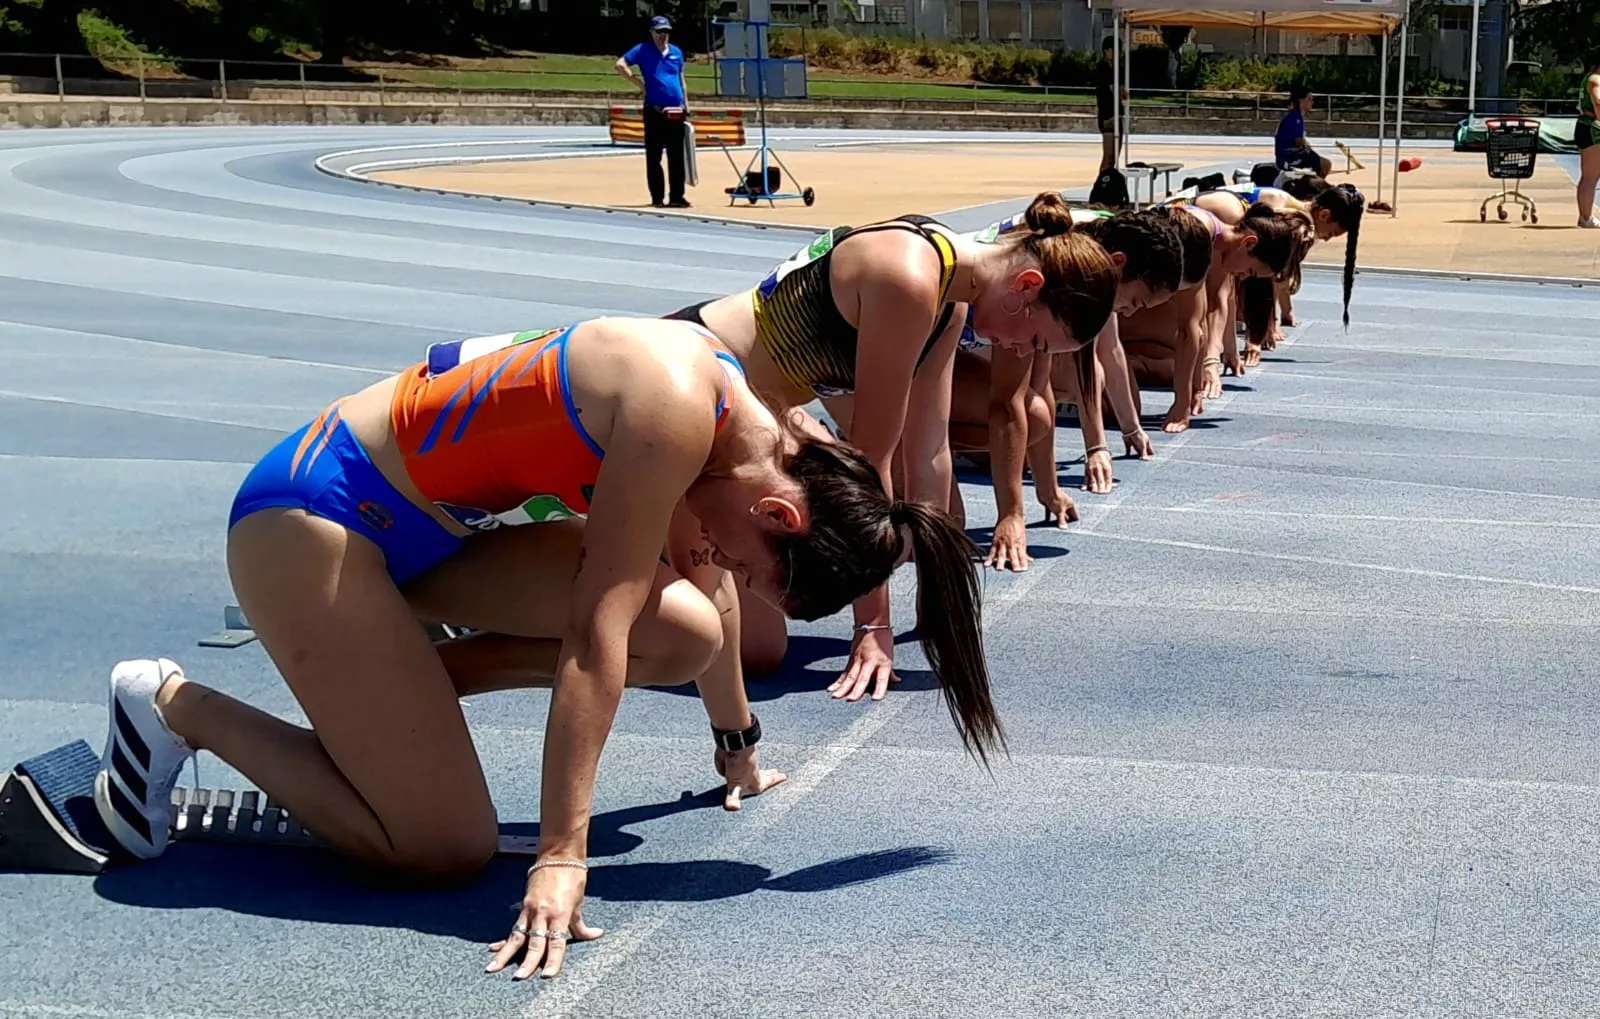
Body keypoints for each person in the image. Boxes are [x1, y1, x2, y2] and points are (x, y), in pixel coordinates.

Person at [92, 316, 1001, 982]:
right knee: (441, 846)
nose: (726, 565)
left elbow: (706, 600)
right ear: (780, 514)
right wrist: (563, 853)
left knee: (685, 633)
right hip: (311, 518)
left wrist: (738, 744)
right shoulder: (675, 412)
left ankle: (391, 697)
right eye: (752, 564)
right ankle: (174, 706)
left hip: (432, 535)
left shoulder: (755, 433)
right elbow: (597, 640)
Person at [665, 193, 1120, 696]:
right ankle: (630, 561)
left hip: (748, 418)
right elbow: (870, 463)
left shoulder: (948, 303)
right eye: (1034, 341)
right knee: (740, 648)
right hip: (682, 392)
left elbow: (930, 453)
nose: (1018, 352)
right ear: (1027, 286)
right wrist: (872, 626)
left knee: (758, 645)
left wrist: (937, 599)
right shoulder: (907, 279)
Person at [944, 207, 1185, 569]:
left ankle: (927, 450)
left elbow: (1036, 390)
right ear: (1117, 265)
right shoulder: (1049, 282)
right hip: (908, 350)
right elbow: (1008, 403)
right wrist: (1011, 513)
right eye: (1135, 301)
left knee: (1036, 417)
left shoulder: (1065, 282)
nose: (1131, 313)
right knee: (946, 519)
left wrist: (1049, 490)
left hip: (945, 353)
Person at [615, 15, 691, 209]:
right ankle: (657, 197)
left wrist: (686, 103)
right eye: (659, 32)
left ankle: (677, 196)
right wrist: (639, 84)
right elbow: (620, 64)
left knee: (676, 156)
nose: (663, 35)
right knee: (654, 156)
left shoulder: (676, 52)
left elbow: (681, 78)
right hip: (655, 111)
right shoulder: (643, 50)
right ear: (651, 32)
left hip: (676, 111)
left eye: (666, 32)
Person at [1276, 85, 1334, 179]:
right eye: (1309, 99)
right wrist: (1306, 144)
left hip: (1294, 154)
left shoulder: (1297, 116)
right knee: (1325, 164)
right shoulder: (1294, 118)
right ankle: (1316, 184)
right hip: (1289, 158)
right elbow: (1298, 141)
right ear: (1301, 101)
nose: (1312, 102)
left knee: (1323, 163)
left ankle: (1316, 182)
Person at [1576, 50, 1600, 228]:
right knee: (1590, 177)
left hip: (1585, 127)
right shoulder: (1596, 80)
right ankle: (1586, 217)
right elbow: (1598, 101)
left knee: (1589, 176)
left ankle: (1584, 216)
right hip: (1592, 129)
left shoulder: (1589, 78)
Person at [1096, 37, 1119, 172]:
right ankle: (1102, 180)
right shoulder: (1102, 68)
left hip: (1117, 113)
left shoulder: (1119, 68)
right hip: (1106, 114)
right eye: (1111, 49)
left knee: (1114, 156)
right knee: (1108, 155)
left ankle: (1110, 178)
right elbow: (1105, 89)